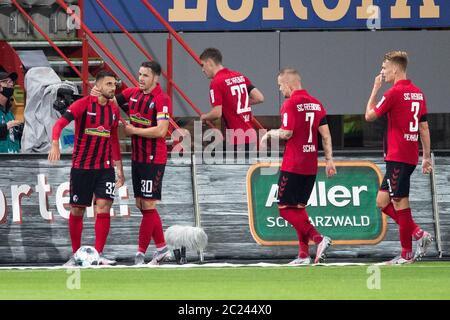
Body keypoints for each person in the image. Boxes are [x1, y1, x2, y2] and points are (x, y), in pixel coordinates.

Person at [93, 61, 172, 265]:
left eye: (145, 75)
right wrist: (98, 93)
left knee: (147, 204)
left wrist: (133, 130)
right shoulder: (131, 94)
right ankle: (162, 248)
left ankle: (140, 253)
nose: (140, 78)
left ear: (155, 78)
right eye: (139, 74)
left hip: (154, 159)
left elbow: (162, 131)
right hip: (137, 157)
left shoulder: (162, 99)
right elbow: (110, 102)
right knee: (141, 204)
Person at [48, 70, 124, 266]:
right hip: (82, 167)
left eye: (114, 85)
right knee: (77, 210)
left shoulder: (113, 110)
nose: (112, 88)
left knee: (104, 206)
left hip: (105, 168)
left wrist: (119, 168)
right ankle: (76, 256)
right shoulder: (81, 105)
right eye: (108, 84)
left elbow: (114, 140)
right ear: (96, 85)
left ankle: (98, 255)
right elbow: (59, 124)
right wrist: (55, 143)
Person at [261, 68, 336, 265]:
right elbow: (326, 136)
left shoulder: (290, 103)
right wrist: (329, 161)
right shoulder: (317, 104)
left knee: (285, 209)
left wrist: (269, 133)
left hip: (293, 164)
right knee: (299, 209)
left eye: (280, 85)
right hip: (310, 166)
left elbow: (287, 133)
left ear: (289, 84)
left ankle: (319, 239)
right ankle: (303, 254)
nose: (280, 89)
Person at [365, 51, 433, 264]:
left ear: (395, 69)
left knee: (399, 202)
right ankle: (417, 233)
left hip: (398, 156)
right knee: (382, 201)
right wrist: (426, 157)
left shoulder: (393, 93)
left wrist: (375, 89)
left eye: (384, 68)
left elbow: (369, 116)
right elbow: (424, 127)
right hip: (409, 156)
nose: (382, 72)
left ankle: (406, 254)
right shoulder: (418, 93)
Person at [199, 48, 264, 153]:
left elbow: (217, 113)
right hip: (251, 135)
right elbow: (259, 98)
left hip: (237, 138)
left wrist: (204, 117)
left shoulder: (216, 82)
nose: (202, 69)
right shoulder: (239, 76)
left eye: (202, 65)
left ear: (210, 62)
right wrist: (234, 101)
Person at [0, 70, 22, 153]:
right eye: (7, 81)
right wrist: (6, 127)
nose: (11, 84)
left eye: (12, 81)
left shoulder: (9, 113)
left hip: (13, 162)